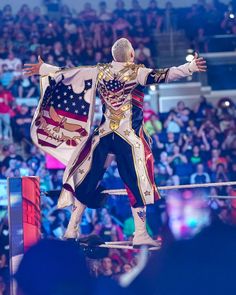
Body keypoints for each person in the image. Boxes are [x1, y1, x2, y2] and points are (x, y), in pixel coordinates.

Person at [24, 38, 206, 247]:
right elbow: (164, 75)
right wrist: (190, 67)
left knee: (89, 181)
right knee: (136, 181)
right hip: (128, 138)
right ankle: (139, 233)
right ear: (131, 55)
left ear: (113, 56)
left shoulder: (99, 71)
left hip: (103, 136)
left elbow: (70, 72)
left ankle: (71, 228)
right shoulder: (137, 71)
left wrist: (44, 68)